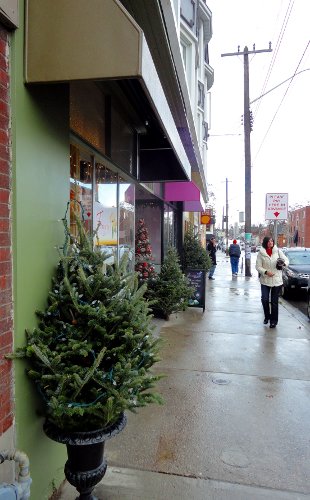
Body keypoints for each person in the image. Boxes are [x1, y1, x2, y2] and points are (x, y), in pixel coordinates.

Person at [255, 236, 288, 328]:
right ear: (265, 243)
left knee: (274, 302)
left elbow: (286, 260)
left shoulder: (278, 251)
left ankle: (273, 321)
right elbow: (258, 267)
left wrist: (283, 263)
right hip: (265, 280)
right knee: (264, 299)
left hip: (277, 281)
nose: (271, 242)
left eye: (272, 241)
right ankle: (267, 316)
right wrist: (265, 272)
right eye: (269, 241)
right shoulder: (261, 253)